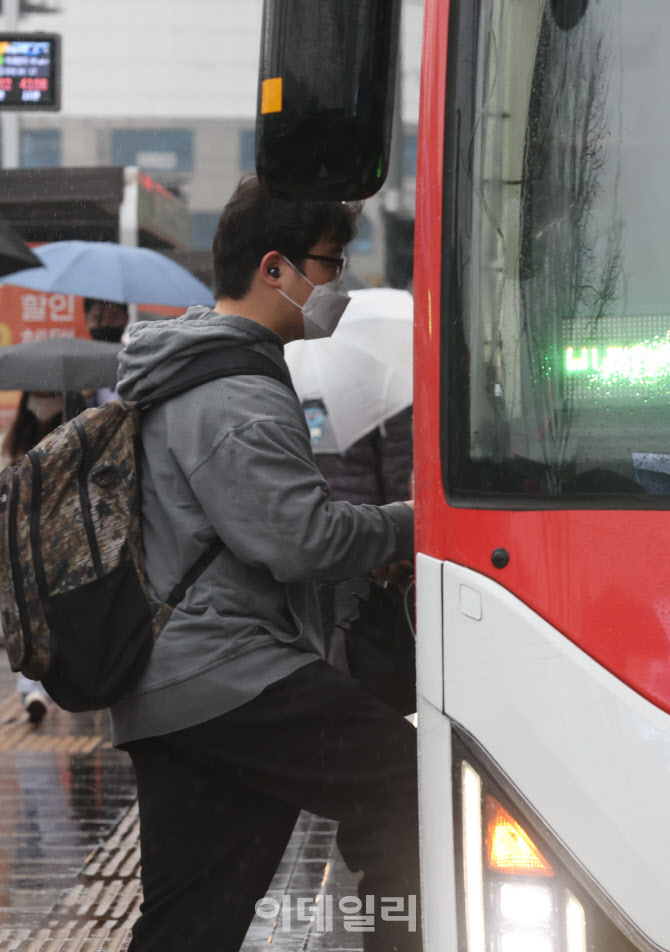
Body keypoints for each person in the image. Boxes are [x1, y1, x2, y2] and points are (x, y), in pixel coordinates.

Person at [111, 174, 421, 952]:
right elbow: (298, 540)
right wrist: (412, 527)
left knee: (193, 918)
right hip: (227, 671)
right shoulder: (233, 388)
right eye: (329, 265)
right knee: (407, 780)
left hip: (173, 681)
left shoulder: (200, 368)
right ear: (274, 269)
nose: (336, 286)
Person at [0, 390, 87, 723]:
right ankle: (32, 688)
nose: (44, 402)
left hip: (54, 543)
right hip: (24, 546)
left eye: (50, 395)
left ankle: (36, 688)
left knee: (47, 618)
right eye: (39, 396)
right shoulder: (12, 442)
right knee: (31, 617)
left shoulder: (69, 434)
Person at [83, 297, 129, 404]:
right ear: (87, 320)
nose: (105, 323)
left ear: (126, 318)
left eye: (113, 317)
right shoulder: (76, 363)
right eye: (98, 318)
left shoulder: (136, 360)